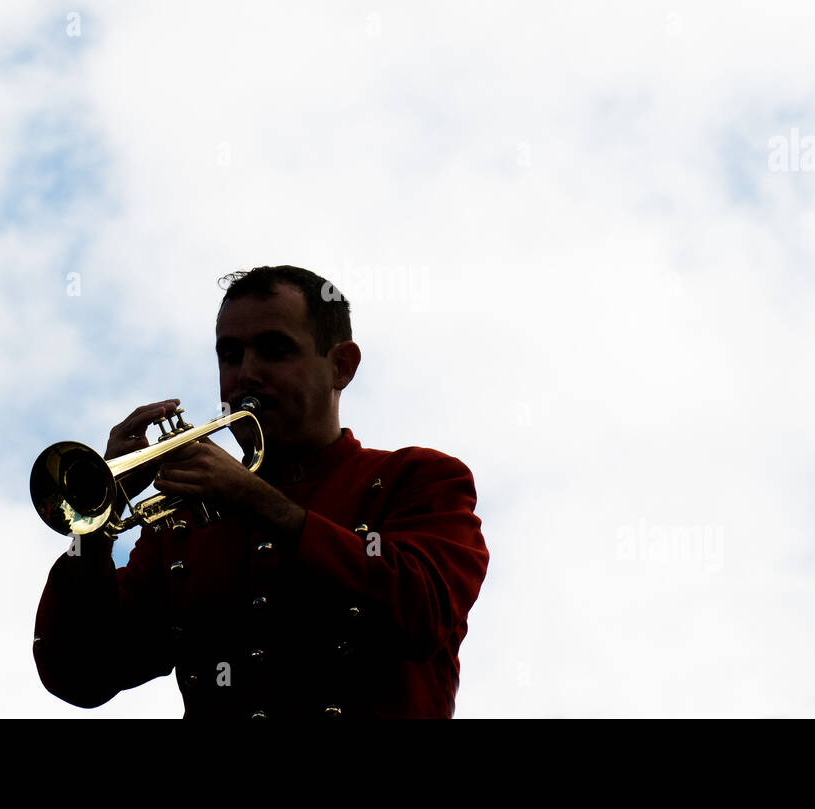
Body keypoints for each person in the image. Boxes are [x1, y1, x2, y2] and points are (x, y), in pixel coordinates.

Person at [32, 264, 489, 718]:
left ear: (341, 366)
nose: (246, 373)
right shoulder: (184, 521)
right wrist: (96, 527)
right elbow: (81, 673)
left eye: (274, 350)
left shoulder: (419, 478)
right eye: (230, 355)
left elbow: (423, 613)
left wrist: (256, 499)